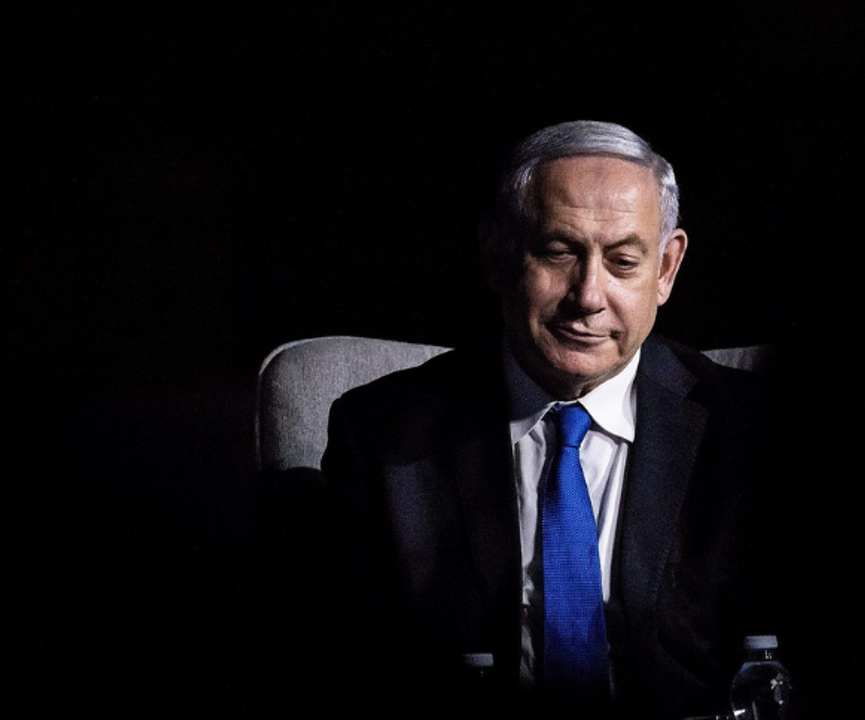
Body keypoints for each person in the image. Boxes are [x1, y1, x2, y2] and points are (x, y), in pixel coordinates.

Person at [311, 121, 786, 719]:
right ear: (497, 254)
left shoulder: (754, 431)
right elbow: (347, 667)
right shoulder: (381, 435)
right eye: (559, 252)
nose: (588, 295)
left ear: (666, 269)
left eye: (623, 262)